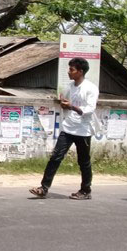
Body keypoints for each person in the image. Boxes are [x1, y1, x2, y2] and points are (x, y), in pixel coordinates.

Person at [30, 57, 99, 200]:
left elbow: (89, 109)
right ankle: (44, 188)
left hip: (83, 130)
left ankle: (86, 190)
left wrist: (71, 106)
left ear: (80, 71)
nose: (69, 72)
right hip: (68, 128)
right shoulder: (69, 86)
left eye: (72, 69)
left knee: (83, 161)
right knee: (55, 157)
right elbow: (65, 102)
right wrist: (64, 104)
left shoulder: (91, 88)